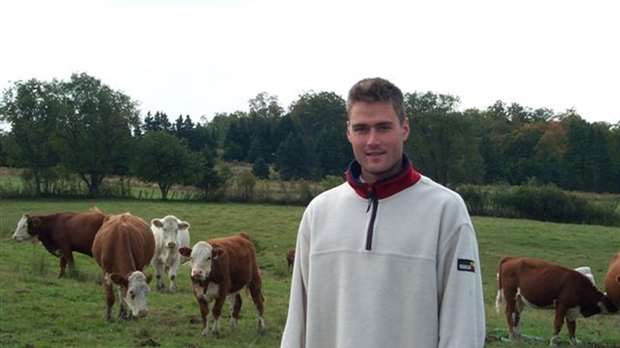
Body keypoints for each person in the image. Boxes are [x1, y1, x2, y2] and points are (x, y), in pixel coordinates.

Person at [280, 77, 485, 348]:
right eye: (362, 129)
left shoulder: (445, 211)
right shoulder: (319, 212)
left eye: (383, 127)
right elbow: (298, 323)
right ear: (349, 132)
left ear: (405, 128)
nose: (372, 140)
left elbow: (462, 328)